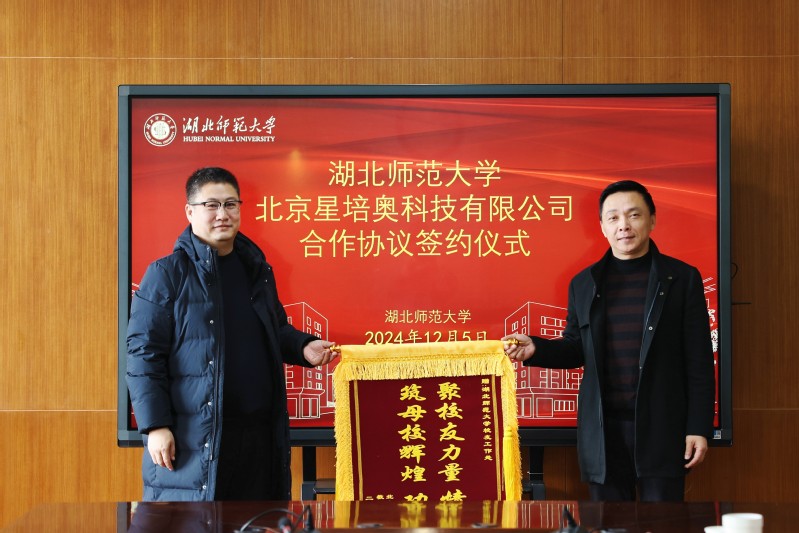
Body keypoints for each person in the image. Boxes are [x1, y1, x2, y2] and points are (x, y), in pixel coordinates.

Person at [126, 166, 338, 501]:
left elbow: (275, 329)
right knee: (195, 523)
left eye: (230, 204)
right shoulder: (167, 274)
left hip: (259, 439)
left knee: (258, 521)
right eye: (211, 205)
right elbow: (143, 354)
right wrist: (155, 426)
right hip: (196, 439)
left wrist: (304, 347)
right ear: (190, 212)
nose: (222, 214)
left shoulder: (256, 270)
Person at [502, 180, 714, 502]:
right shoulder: (584, 283)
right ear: (602, 227)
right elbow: (576, 348)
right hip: (603, 432)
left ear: (652, 220)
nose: (623, 225)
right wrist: (536, 348)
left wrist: (698, 426)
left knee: (663, 521)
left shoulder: (682, 279)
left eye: (633, 215)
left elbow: (698, 360)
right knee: (607, 522)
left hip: (662, 428)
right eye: (613, 218)